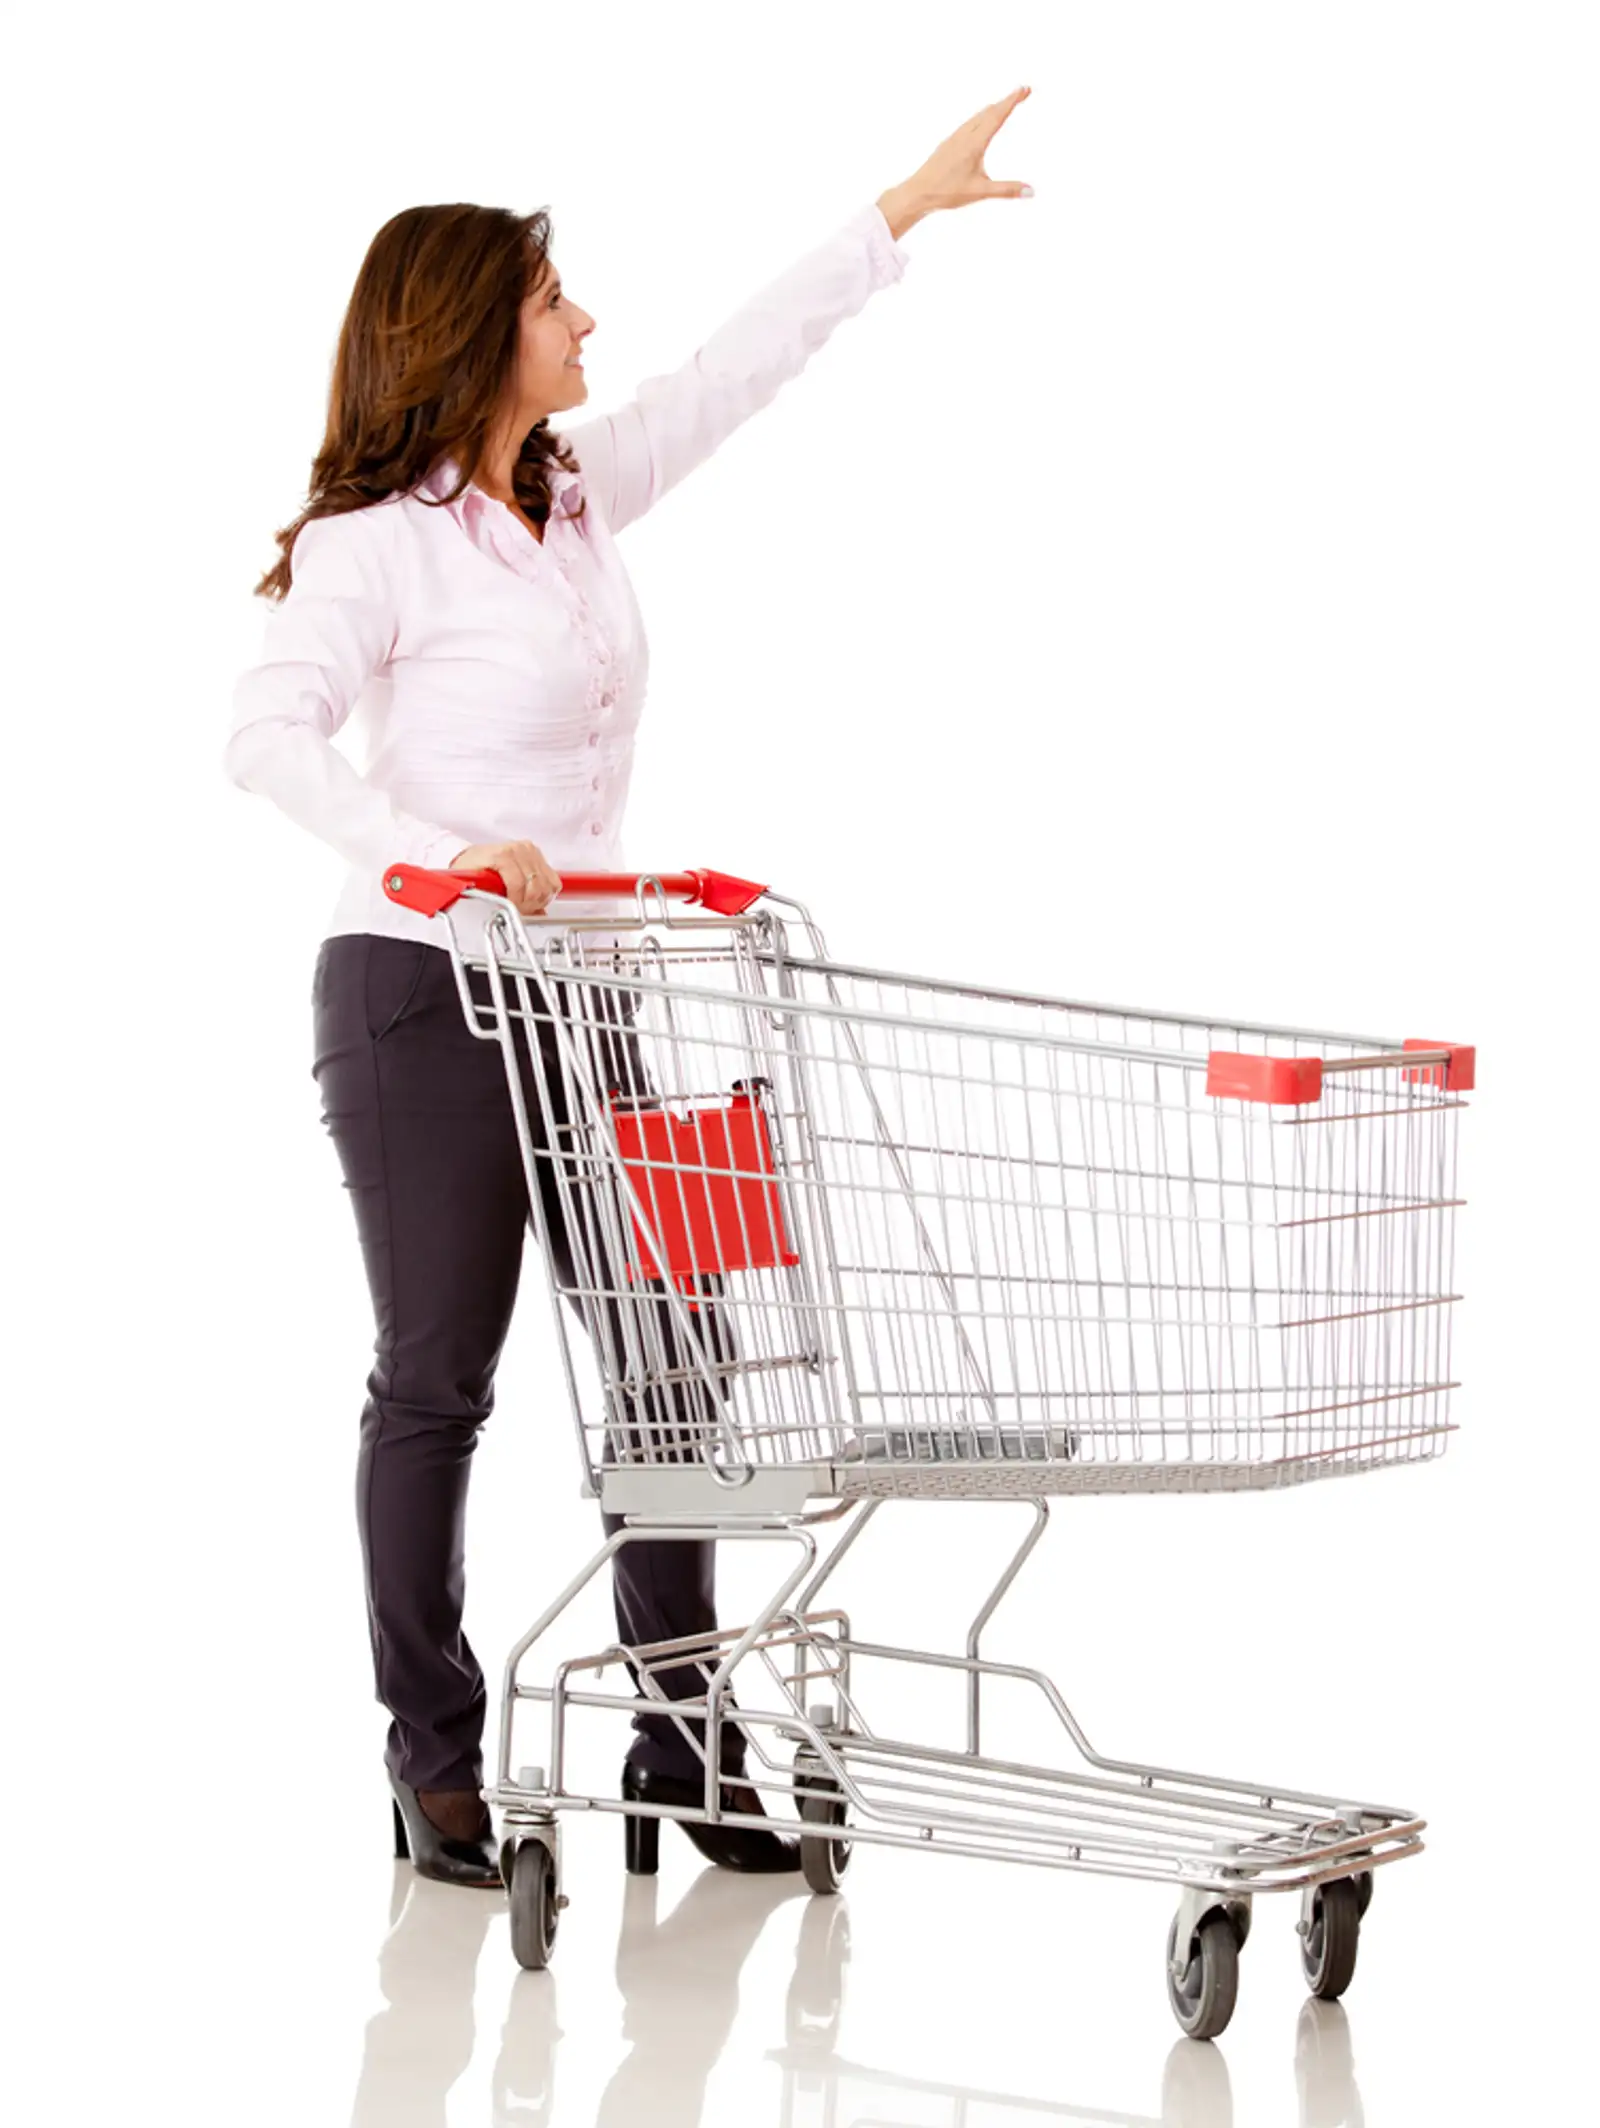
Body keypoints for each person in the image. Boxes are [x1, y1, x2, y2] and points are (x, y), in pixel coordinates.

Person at [223, 89, 1035, 1888]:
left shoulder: (577, 496)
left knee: (673, 1359)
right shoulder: (377, 543)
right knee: (439, 1373)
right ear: (469, 334)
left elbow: (734, 373)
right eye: (553, 298)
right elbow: (263, 737)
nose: (586, 320)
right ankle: (434, 1758)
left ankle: (685, 1731)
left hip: (586, 993)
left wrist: (896, 213)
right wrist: (436, 852)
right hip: (423, 986)